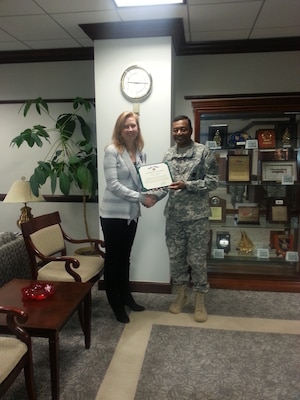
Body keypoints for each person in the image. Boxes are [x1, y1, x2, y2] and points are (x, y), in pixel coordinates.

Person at [151, 115, 219, 322]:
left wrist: (188, 185)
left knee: (197, 260)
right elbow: (164, 185)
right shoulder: (168, 155)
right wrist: (153, 197)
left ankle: (199, 300)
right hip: (174, 217)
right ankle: (181, 295)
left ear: (190, 130)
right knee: (176, 258)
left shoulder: (203, 152)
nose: (179, 133)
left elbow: (213, 182)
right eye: (175, 130)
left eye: (183, 129)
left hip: (197, 217)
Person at [100, 111, 155, 323]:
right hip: (113, 214)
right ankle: (115, 302)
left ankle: (126, 296)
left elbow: (142, 181)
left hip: (131, 214)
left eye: (134, 126)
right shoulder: (112, 151)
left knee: (125, 258)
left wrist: (153, 191)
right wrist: (142, 198)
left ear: (137, 128)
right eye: (126, 126)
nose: (131, 129)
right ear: (120, 130)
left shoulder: (141, 152)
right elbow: (113, 185)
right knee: (113, 260)